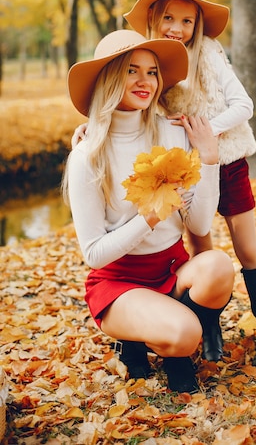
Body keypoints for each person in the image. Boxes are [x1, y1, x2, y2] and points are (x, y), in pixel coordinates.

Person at [122, 0, 256, 374]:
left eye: (187, 21)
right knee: (203, 253)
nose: (177, 28)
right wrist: (91, 127)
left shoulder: (208, 52)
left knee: (247, 251)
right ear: (154, 20)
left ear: (198, 26)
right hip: (186, 171)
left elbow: (243, 104)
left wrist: (205, 129)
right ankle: (209, 331)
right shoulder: (150, 57)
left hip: (228, 161)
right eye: (169, 19)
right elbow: (128, 101)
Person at [62, 29, 235, 394]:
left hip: (171, 270)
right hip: (118, 282)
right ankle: (144, 340)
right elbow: (93, 254)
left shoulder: (172, 131)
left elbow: (200, 222)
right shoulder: (87, 155)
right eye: (131, 71)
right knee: (186, 333)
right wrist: (150, 216)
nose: (145, 81)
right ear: (109, 77)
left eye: (152, 71)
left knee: (219, 267)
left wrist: (208, 159)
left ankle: (170, 343)